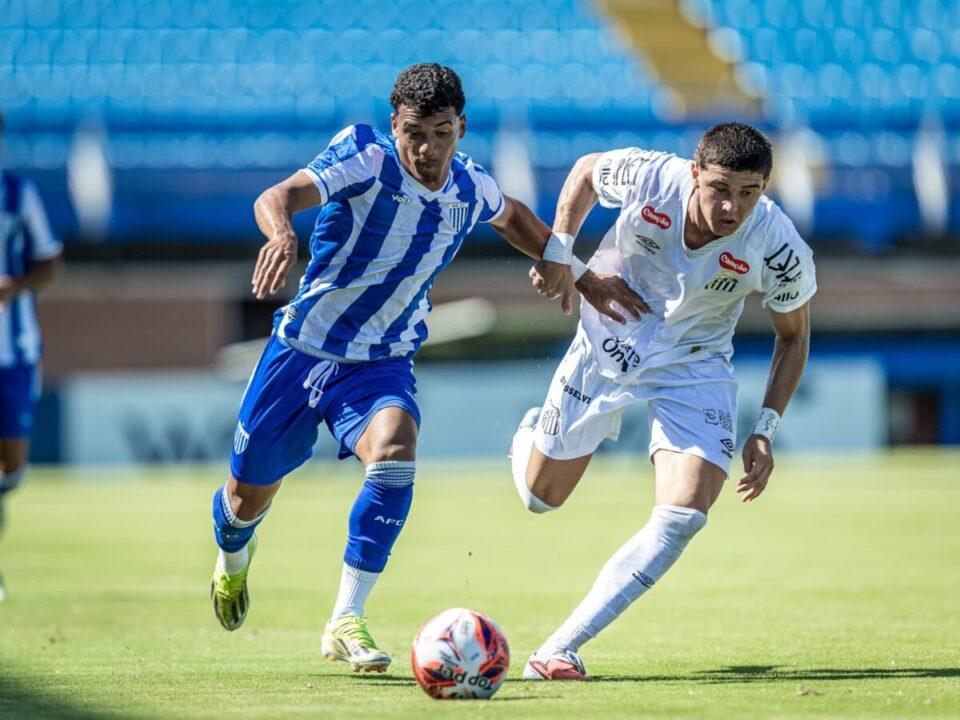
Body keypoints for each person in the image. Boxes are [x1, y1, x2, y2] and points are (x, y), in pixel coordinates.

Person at [209, 63, 589, 673]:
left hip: (381, 362)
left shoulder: (470, 187)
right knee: (244, 500)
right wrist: (281, 234)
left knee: (394, 451)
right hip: (302, 350)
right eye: (415, 131)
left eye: (442, 132)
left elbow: (514, 214)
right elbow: (276, 196)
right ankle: (233, 555)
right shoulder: (366, 156)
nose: (428, 148)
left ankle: (345, 618)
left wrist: (564, 259)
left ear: (460, 129)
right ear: (395, 125)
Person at [509, 122, 816, 680]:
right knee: (539, 499)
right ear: (695, 172)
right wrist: (561, 251)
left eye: (749, 192)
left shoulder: (778, 244)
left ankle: (558, 648)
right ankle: (533, 432)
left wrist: (766, 425)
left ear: (765, 189)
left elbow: (793, 335)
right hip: (609, 339)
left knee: (685, 514)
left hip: (694, 366)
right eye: (721, 187)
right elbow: (583, 171)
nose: (732, 207)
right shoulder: (651, 175)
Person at [0, 110, 63, 601]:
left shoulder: (17, 194)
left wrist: (15, 285)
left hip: (13, 349)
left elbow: (49, 263)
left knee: (11, 463)